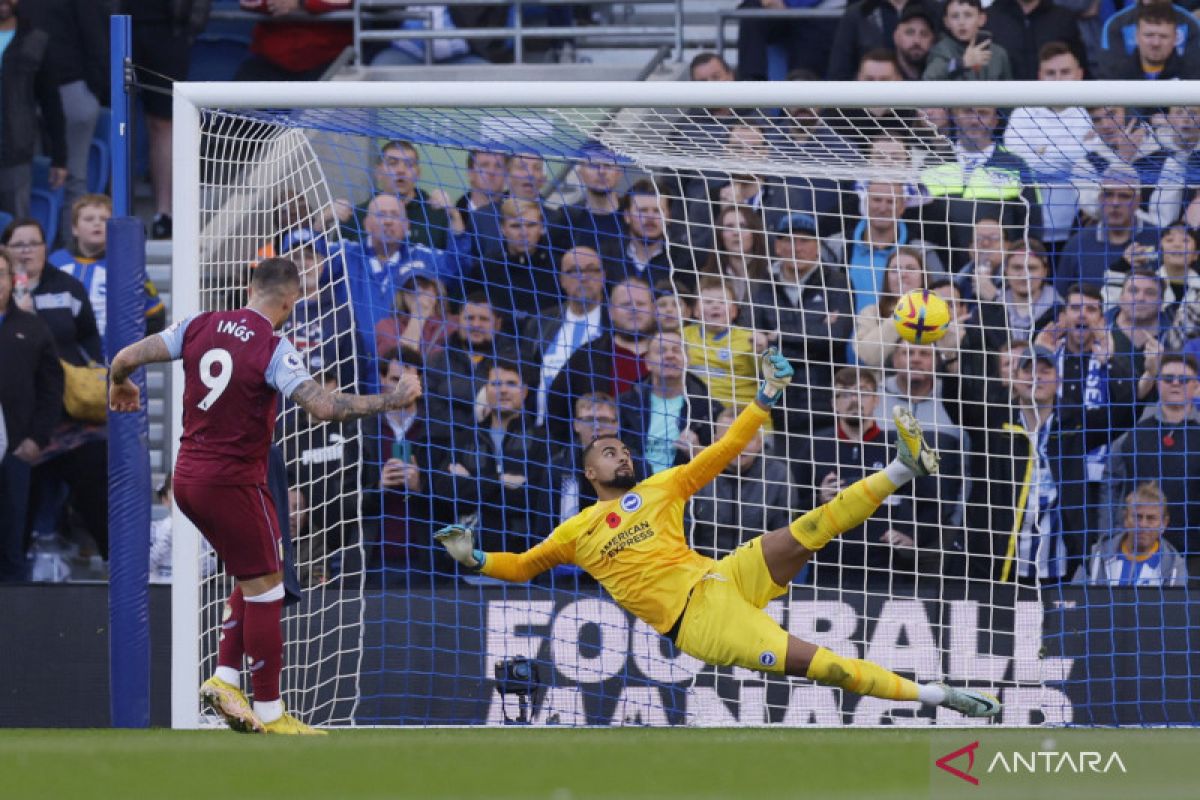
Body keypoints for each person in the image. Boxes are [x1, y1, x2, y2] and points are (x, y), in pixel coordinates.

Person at [434, 349, 1000, 719]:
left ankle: (905, 467)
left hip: (720, 574)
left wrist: (765, 398)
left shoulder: (660, 488)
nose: (621, 453)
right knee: (827, 666)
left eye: (624, 447)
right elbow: (524, 566)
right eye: (609, 452)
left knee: (810, 526)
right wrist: (476, 558)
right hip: (701, 621)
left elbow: (724, 451)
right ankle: (938, 695)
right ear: (590, 474)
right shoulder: (576, 532)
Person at [108, 256, 424, 734]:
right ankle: (274, 714)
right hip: (233, 482)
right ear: (289, 301)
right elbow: (323, 407)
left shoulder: (199, 324)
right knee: (269, 589)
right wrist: (392, 400)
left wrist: (120, 385)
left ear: (250, 286)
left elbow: (126, 357)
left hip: (187, 479)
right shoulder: (274, 347)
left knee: (252, 576)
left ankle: (224, 678)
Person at [795, 367, 958, 587]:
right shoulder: (815, 447)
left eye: (862, 392)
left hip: (887, 570)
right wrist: (818, 499)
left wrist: (912, 537)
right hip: (829, 568)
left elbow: (934, 506)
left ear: (876, 400)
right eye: (843, 394)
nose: (853, 400)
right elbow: (793, 508)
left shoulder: (899, 447)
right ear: (833, 403)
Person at [429, 359, 553, 555]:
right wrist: (500, 481)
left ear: (525, 391)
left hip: (524, 560)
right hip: (467, 565)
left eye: (511, 383)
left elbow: (532, 497)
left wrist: (471, 484)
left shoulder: (542, 441)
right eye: (495, 383)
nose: (503, 390)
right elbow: (444, 491)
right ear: (485, 390)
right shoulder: (464, 437)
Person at [0, 247, 63, 582]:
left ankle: (12, 625)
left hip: (16, 450)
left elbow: (52, 387)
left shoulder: (33, 327)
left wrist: (37, 438)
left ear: (12, 280)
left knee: (13, 538)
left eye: (0, 273)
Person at [1106, 353, 1200, 565]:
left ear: (1196, 386)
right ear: (1157, 384)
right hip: (1134, 552)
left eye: (1184, 379)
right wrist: (1109, 535)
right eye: (1168, 378)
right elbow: (1111, 483)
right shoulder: (1133, 430)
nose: (1175, 383)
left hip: (1193, 555)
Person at [1002, 45, 1093, 251]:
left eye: (1065, 72)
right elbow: (1020, 166)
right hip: (1030, 229)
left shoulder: (1092, 114)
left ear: (1079, 75)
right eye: (1051, 73)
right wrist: (1074, 153)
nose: (1058, 79)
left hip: (1080, 227)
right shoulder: (1022, 114)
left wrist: (1042, 151)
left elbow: (1093, 163)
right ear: (1039, 76)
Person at [49, 194, 167, 346]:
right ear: (74, 229)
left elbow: (155, 315)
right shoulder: (56, 261)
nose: (97, 224)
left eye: (104, 219)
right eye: (89, 219)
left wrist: (129, 347)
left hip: (110, 360)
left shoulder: (126, 265)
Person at [690, 405, 795, 560]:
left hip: (759, 573)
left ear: (760, 442)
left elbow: (785, 541)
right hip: (705, 573)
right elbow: (685, 537)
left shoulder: (779, 476)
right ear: (715, 442)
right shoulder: (696, 473)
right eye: (730, 437)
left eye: (748, 437)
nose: (739, 446)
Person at [618, 330, 721, 475]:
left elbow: (723, 465)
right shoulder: (625, 404)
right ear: (647, 362)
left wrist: (697, 451)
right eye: (661, 351)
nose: (670, 355)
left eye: (676, 350)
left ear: (687, 360)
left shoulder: (710, 408)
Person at [526, 247, 608, 427]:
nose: (583, 277)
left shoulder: (613, 323)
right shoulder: (541, 323)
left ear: (603, 275)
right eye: (573, 271)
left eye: (591, 269)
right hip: (544, 433)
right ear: (561, 279)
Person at [0, 0, 66, 218]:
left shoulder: (35, 40)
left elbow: (50, 101)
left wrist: (59, 157)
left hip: (16, 151)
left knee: (16, 228)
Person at [1076, 481, 1189, 586]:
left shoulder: (1175, 568)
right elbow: (1074, 598)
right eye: (1137, 517)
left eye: (1151, 518)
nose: (1143, 524)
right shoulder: (1096, 555)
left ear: (1164, 523)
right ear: (1125, 518)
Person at [827, 0, 941, 81]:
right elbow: (839, 71)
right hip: (868, 102)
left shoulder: (935, 10)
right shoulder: (858, 13)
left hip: (925, 99)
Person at [853, 246, 928, 367]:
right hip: (883, 383)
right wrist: (901, 315)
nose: (902, 274)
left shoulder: (939, 310)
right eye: (895, 270)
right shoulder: (871, 312)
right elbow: (867, 356)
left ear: (923, 275)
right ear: (887, 278)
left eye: (911, 268)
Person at [984, 0, 1087, 80]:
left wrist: (1092, 106)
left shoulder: (1063, 18)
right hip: (1001, 102)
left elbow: (1081, 64)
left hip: (1054, 102)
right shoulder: (988, 18)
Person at [1099, 1, 1200, 80]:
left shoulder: (1190, 23)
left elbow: (1195, 73)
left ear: (1175, 38)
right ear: (1136, 36)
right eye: (1149, 35)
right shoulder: (1116, 23)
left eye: (1164, 36)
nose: (1156, 43)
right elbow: (1109, 75)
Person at [922, 0, 1013, 80]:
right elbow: (929, 77)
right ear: (947, 22)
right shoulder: (941, 50)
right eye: (955, 16)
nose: (961, 22)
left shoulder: (999, 54)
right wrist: (961, 63)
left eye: (968, 15)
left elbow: (1010, 92)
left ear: (981, 19)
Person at [893, 4, 936, 79]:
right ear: (896, 37)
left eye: (924, 34)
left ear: (932, 41)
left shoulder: (939, 76)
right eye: (910, 33)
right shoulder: (885, 76)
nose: (917, 41)